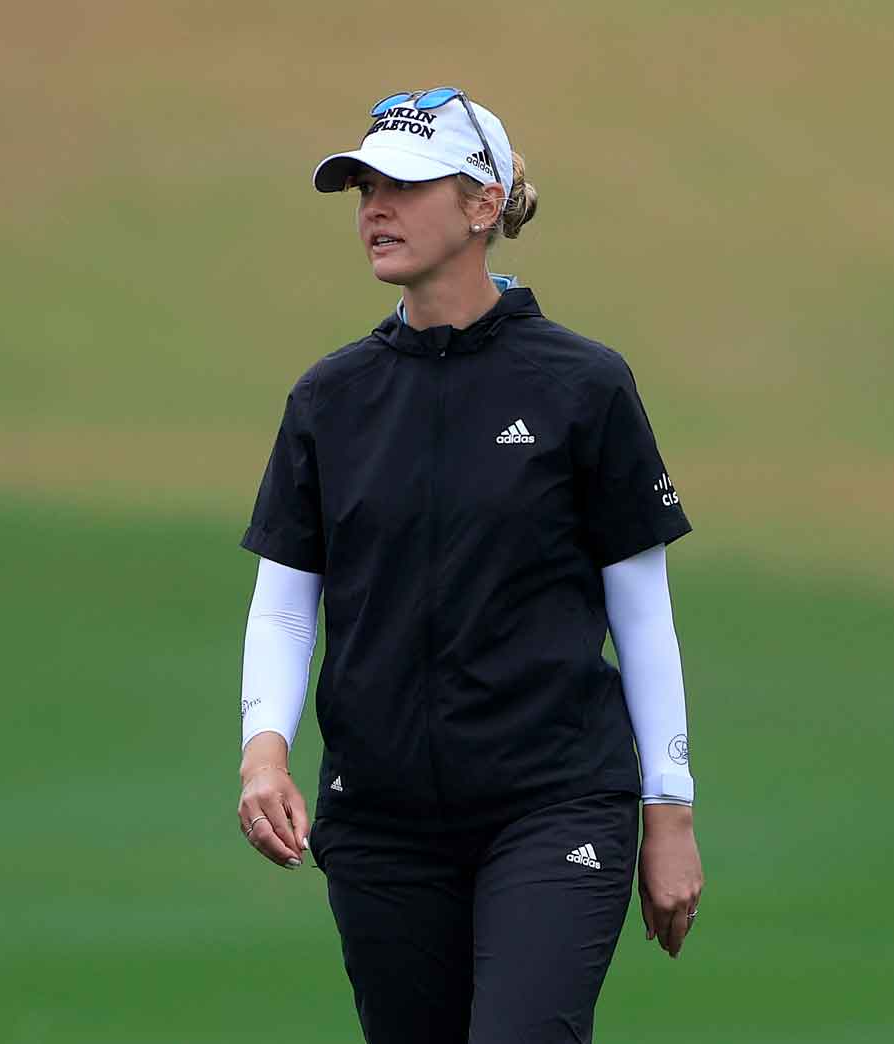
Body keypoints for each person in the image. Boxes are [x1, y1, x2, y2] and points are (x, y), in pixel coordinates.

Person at [235, 87, 705, 1042]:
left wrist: (671, 810)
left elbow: (642, 614)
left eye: (404, 185)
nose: (375, 207)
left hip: (555, 799)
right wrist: (263, 749)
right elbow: (288, 604)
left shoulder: (583, 385)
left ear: (484, 204)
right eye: (364, 185)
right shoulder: (331, 398)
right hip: (380, 820)